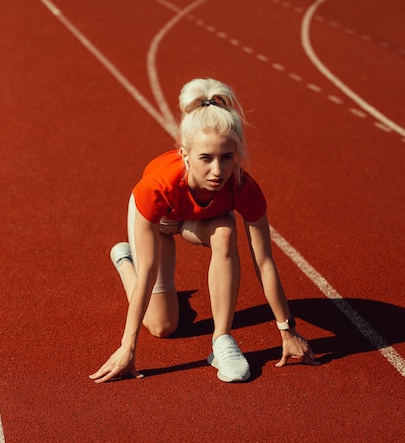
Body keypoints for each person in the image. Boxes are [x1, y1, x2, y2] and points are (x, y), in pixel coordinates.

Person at [89, 77, 317, 384]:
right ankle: (124, 259)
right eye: (205, 159)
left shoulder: (242, 187)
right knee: (163, 326)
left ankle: (221, 341)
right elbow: (150, 271)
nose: (217, 171)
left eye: (227, 158)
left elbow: (264, 262)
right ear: (184, 154)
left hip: (196, 223)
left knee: (225, 230)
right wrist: (127, 347)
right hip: (159, 224)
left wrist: (286, 330)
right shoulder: (156, 188)